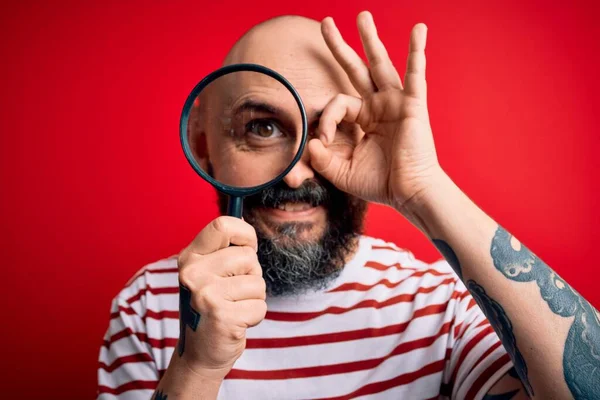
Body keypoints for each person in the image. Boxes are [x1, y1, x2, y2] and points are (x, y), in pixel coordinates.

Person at [97, 11, 600, 400]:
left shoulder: (436, 305)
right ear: (203, 144)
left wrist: (424, 187)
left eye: (332, 127)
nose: (296, 172)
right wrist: (197, 369)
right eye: (261, 127)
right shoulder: (150, 307)